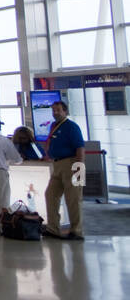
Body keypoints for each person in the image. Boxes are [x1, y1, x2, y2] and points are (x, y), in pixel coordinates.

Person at [43, 100, 86, 241]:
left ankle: (76, 231)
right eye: (53, 110)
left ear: (65, 111)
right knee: (50, 194)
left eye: (58, 110)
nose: (55, 113)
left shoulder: (71, 127)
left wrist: (79, 169)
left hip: (72, 163)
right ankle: (53, 228)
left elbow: (80, 147)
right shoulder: (54, 126)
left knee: (73, 198)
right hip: (58, 164)